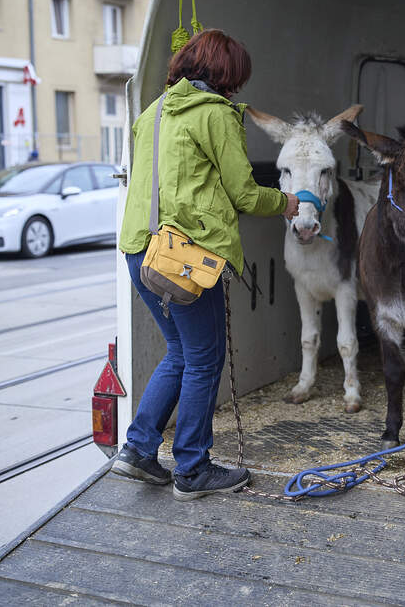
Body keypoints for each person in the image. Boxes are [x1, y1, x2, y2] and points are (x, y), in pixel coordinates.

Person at [113, 29, 299, 501]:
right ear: (225, 73)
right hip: (184, 257)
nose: (237, 87)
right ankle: (193, 469)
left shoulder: (153, 112)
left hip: (140, 251)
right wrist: (286, 202)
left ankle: (138, 450)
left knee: (180, 351)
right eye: (237, 77)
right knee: (203, 359)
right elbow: (244, 194)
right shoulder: (215, 114)